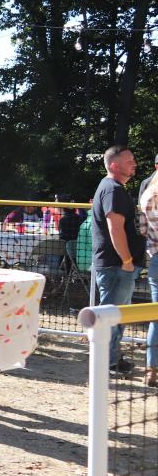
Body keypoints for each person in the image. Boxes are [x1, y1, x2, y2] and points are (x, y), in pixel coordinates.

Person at [91, 145, 146, 375]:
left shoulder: (113, 188)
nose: (134, 163)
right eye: (129, 160)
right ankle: (107, 363)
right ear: (114, 165)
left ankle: (112, 359)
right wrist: (127, 260)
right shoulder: (112, 190)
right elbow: (115, 228)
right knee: (111, 315)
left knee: (115, 314)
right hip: (117, 265)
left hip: (117, 265)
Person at [140, 178, 158, 386]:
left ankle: (151, 370)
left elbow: (143, 230)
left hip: (155, 260)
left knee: (156, 317)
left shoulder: (147, 196)